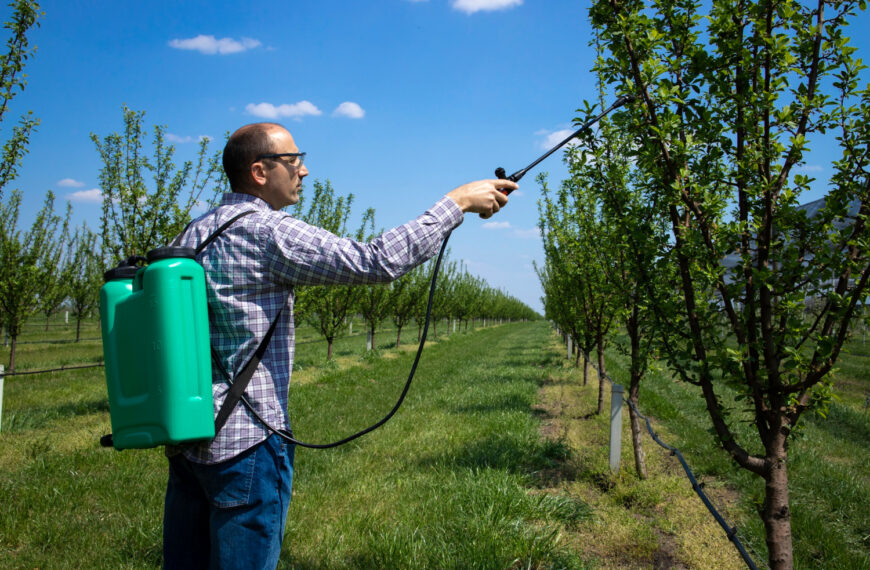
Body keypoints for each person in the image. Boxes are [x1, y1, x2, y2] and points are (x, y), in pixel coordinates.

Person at [162, 122, 516, 569]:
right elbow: (375, 261)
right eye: (294, 160)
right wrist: (456, 204)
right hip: (247, 442)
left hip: (191, 434)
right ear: (259, 171)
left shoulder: (192, 235)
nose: (304, 171)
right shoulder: (268, 232)